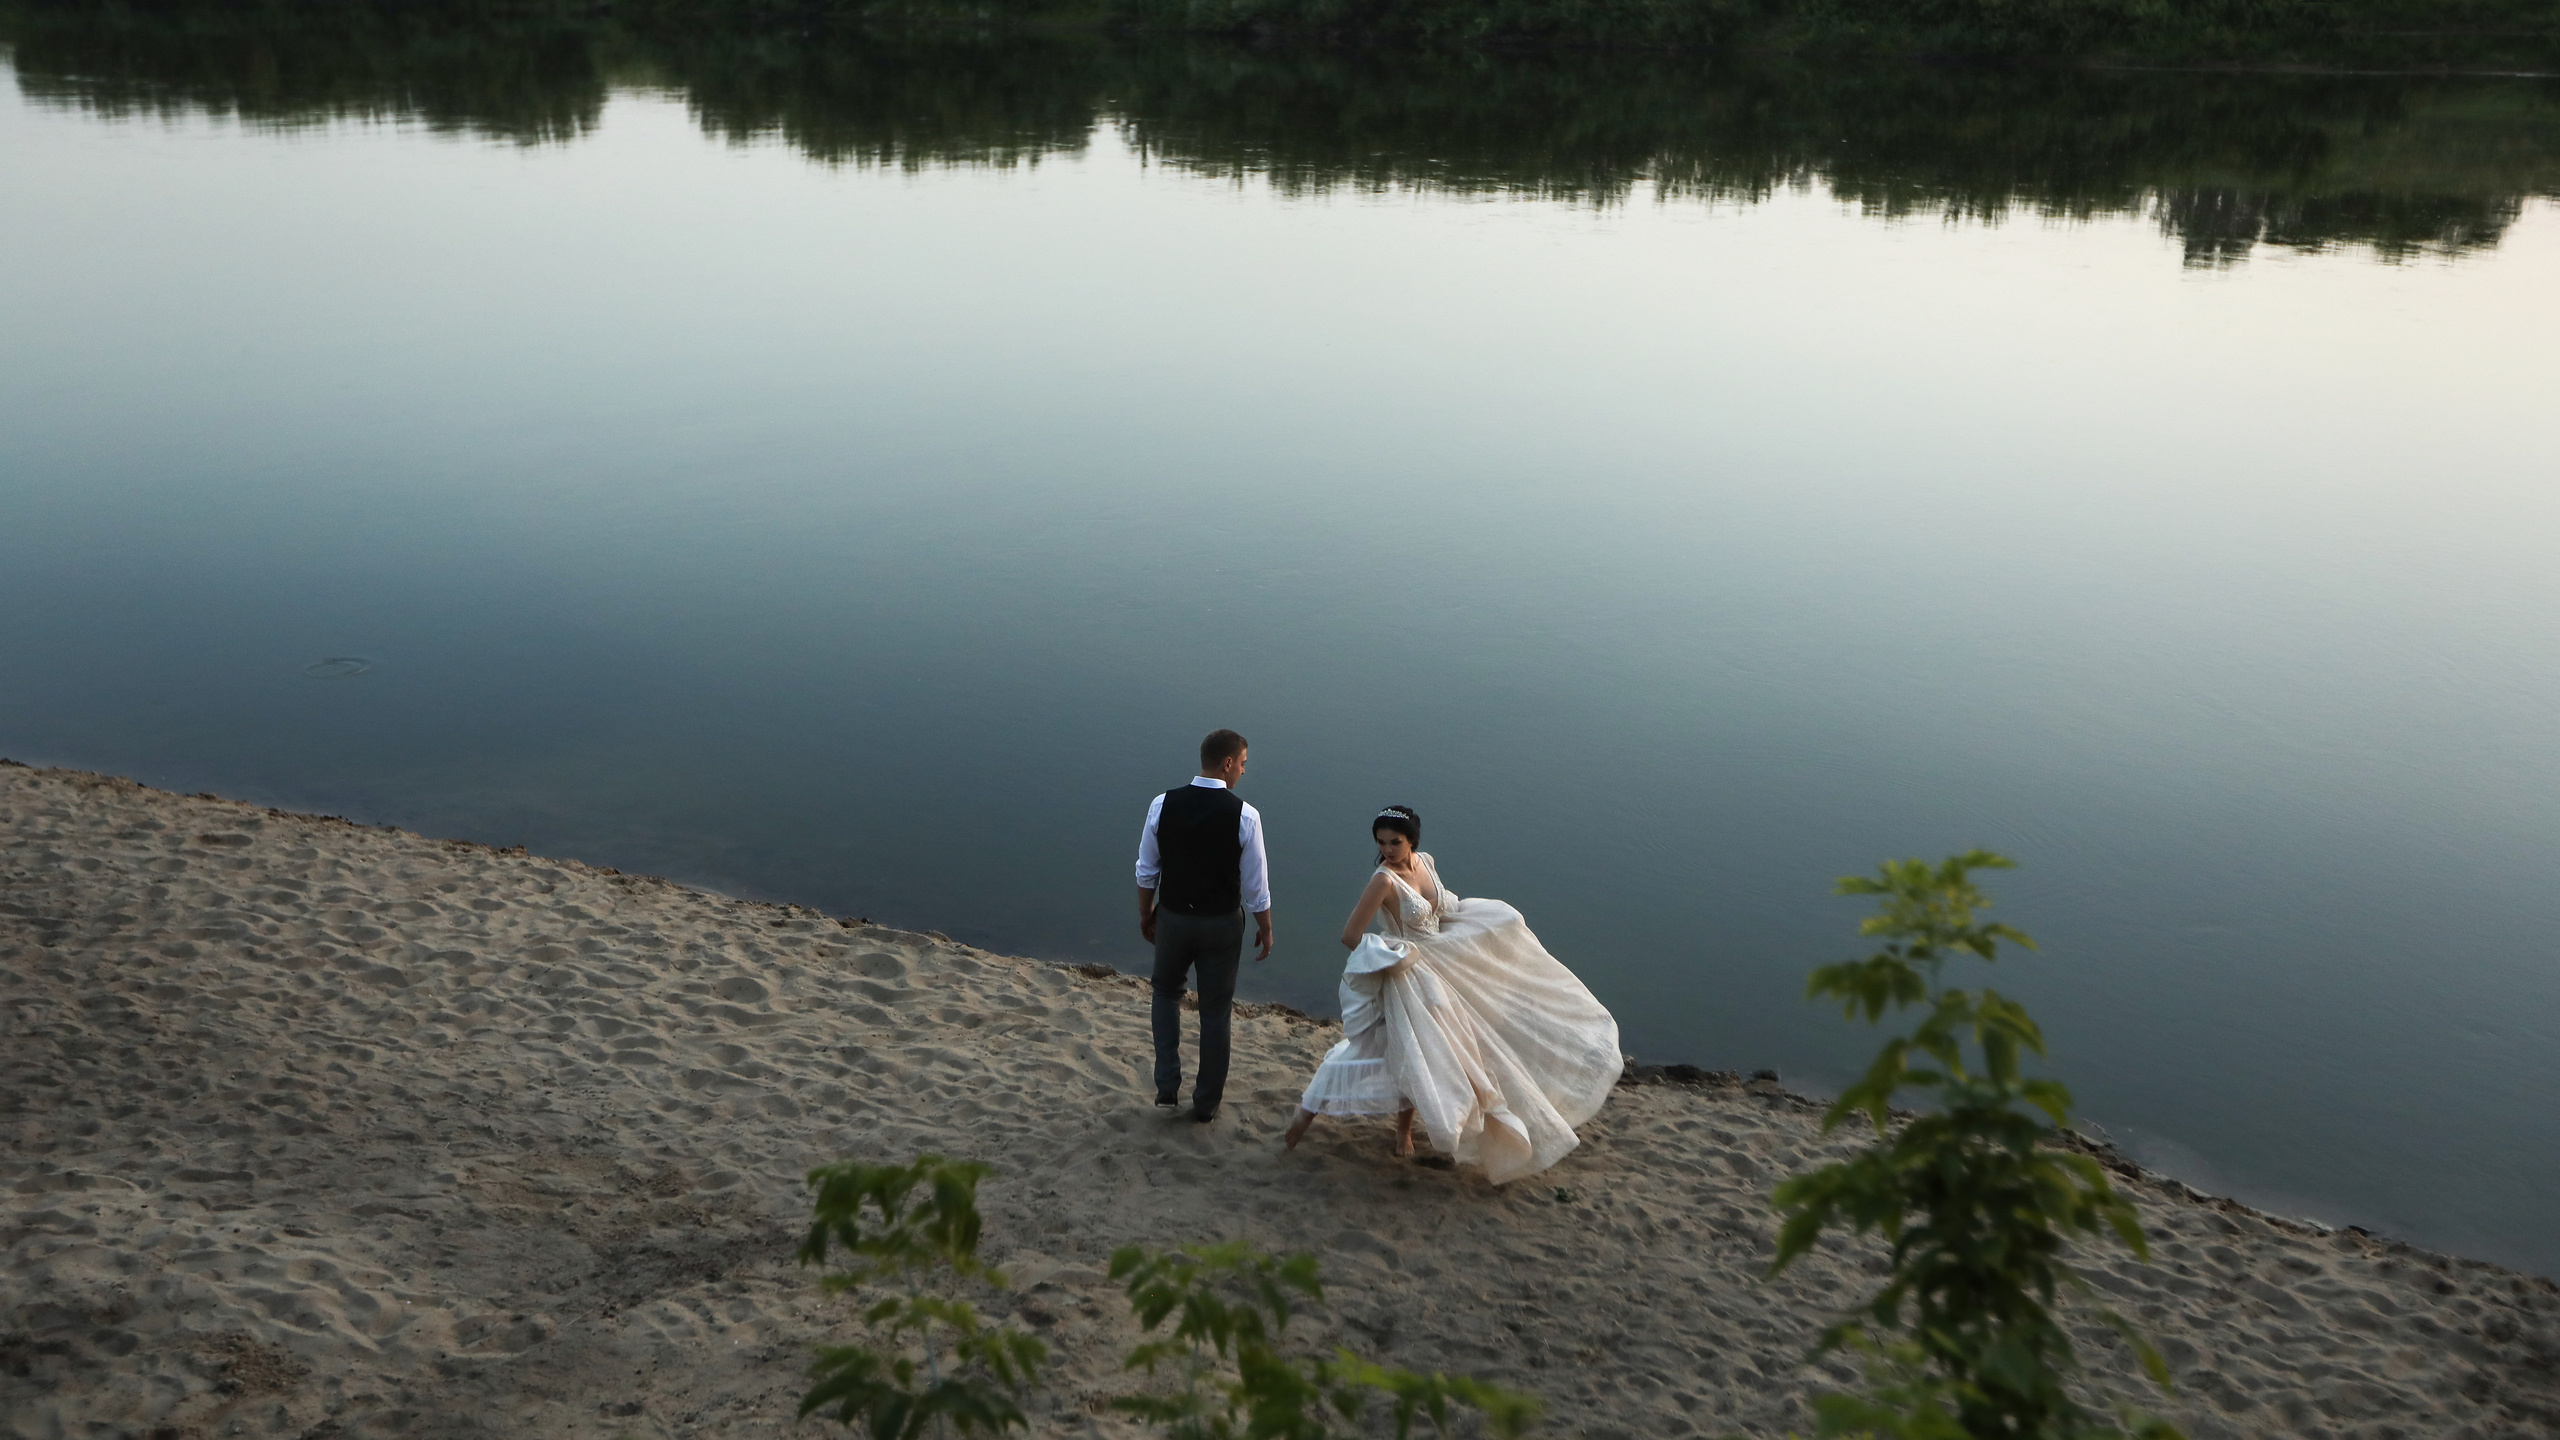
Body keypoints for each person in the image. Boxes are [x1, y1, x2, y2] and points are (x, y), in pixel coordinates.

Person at [1283, 806, 1619, 1183]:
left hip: (1445, 960)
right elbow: (1350, 936)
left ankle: (1403, 1130)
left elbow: (1439, 912)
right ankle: (1306, 1112)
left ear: (1413, 841)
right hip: (1409, 972)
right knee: (1390, 1048)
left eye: (1396, 842)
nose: (1388, 849)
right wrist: (1391, 954)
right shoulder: (1383, 881)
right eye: (1381, 842)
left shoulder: (1425, 862)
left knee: (1433, 1049)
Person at [1135, 729, 1273, 1123]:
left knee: (1165, 994)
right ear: (1228, 763)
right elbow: (1255, 887)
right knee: (1215, 1012)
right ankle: (1207, 1101)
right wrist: (1266, 926)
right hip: (1221, 925)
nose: (1244, 772)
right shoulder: (1245, 815)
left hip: (1174, 918)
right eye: (1243, 764)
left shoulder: (1163, 803)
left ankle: (1166, 1084)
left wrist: (1147, 913)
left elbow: (1147, 870)